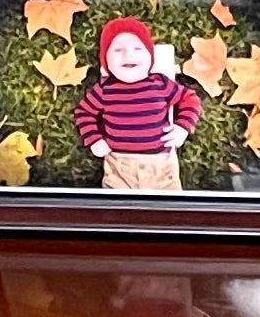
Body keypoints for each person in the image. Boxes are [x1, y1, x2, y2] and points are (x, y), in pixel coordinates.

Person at [72, 16, 201, 191]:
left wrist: (182, 127)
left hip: (161, 169)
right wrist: (94, 139)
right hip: (119, 168)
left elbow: (190, 99)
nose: (128, 54)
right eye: (118, 50)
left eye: (138, 48)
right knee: (119, 207)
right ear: (105, 61)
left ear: (150, 57)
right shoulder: (104, 88)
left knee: (169, 207)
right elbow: (84, 112)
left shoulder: (160, 83)